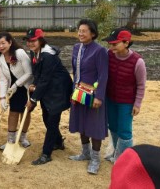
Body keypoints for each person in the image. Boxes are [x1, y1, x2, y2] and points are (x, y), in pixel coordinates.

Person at [24, 28, 73, 165]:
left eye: (33, 40)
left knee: (52, 121)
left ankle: (46, 154)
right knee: (46, 117)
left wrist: (33, 100)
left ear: (40, 40)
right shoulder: (35, 53)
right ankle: (58, 142)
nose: (30, 43)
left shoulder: (48, 56)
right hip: (48, 90)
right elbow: (38, 74)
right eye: (28, 41)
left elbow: (45, 79)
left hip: (59, 90)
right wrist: (34, 85)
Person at [68, 18, 109, 175]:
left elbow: (103, 75)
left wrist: (99, 96)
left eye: (84, 31)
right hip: (78, 92)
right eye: (79, 30)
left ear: (93, 33)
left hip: (93, 94)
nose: (80, 33)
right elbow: (75, 71)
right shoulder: (77, 48)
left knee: (94, 125)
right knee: (81, 122)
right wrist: (73, 90)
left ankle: (95, 159)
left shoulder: (100, 51)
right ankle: (85, 153)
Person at [103, 28, 147, 162]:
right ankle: (117, 153)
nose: (111, 47)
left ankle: (124, 160)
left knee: (125, 130)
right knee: (113, 126)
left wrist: (137, 104)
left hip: (126, 102)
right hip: (110, 99)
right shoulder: (108, 55)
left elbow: (141, 85)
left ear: (126, 43)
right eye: (110, 44)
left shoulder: (137, 62)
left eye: (115, 44)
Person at [0, 32, 33, 150]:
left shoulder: (19, 53)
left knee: (25, 112)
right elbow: (3, 79)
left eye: (3, 43)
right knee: (13, 112)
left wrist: (16, 84)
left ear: (10, 42)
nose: (0, 46)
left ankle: (23, 138)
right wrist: (2, 97)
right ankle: (10, 140)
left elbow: (29, 72)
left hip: (26, 87)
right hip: (13, 90)